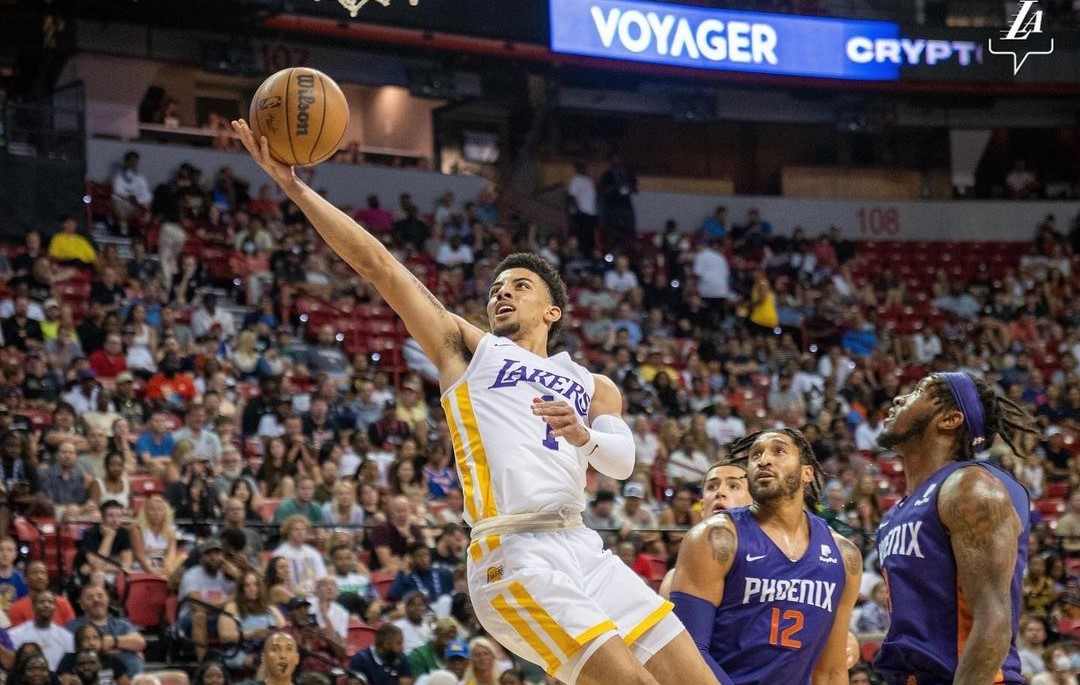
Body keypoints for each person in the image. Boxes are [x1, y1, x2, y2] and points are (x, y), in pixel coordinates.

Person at [235, 116, 718, 685]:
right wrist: (294, 187)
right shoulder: (471, 353)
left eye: (519, 286)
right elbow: (379, 266)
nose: (502, 293)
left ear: (552, 312)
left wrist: (584, 435)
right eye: (496, 288)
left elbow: (622, 463)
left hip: (583, 545)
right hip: (513, 553)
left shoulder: (594, 385)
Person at [873, 371, 1036, 685]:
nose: (899, 398)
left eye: (918, 391)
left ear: (950, 419)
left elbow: (994, 620)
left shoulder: (970, 487)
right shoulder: (896, 513)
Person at [669, 429, 862, 685]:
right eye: (755, 455)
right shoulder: (714, 538)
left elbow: (830, 672)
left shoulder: (844, 556)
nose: (764, 460)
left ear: (807, 473)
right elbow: (686, 653)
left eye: (778, 451)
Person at [659, 459, 752, 600]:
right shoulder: (674, 580)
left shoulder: (773, 563)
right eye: (712, 487)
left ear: (754, 503)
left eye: (733, 486)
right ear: (702, 508)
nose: (720, 492)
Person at [10, 591, 74, 669]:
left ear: (55, 607)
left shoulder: (66, 636)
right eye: (42, 602)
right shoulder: (16, 634)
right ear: (33, 606)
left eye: (50, 602)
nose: (46, 605)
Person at [8, 560, 77, 627]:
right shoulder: (16, 608)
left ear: (47, 578)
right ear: (25, 579)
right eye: (34, 573)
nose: (40, 576)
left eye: (43, 573)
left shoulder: (62, 603)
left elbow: (71, 630)